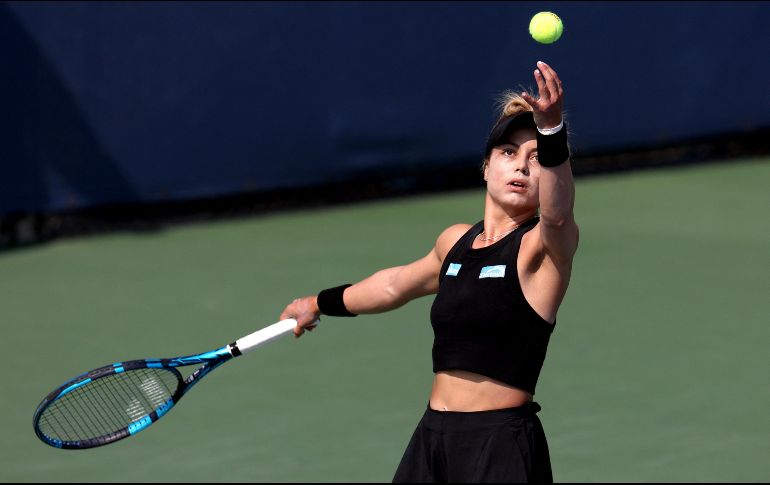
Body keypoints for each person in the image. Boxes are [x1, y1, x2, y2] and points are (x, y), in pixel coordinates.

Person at [279, 60, 578, 483]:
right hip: (433, 439)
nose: (522, 166)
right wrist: (317, 303)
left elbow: (559, 216)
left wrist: (552, 133)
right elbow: (392, 286)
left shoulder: (541, 249)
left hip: (499, 446)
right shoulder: (453, 242)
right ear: (486, 167)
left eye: (535, 158)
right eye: (508, 153)